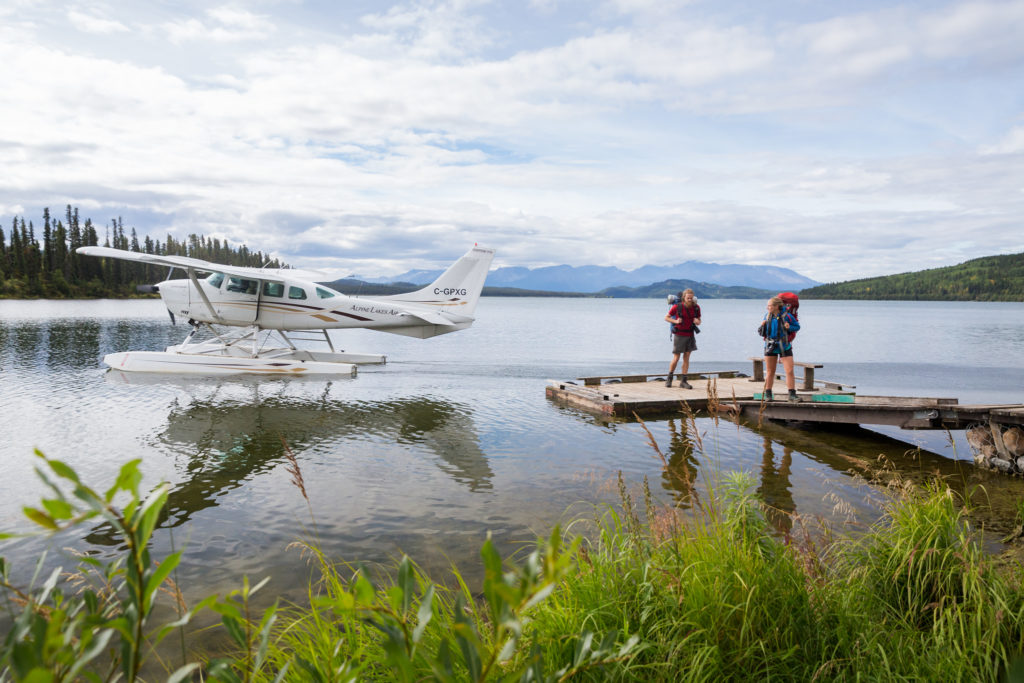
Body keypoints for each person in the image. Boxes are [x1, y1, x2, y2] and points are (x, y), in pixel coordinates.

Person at [759, 296, 800, 402]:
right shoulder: (767, 316)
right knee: (770, 371)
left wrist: (789, 327)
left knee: (789, 370)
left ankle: (791, 395)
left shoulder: (787, 316)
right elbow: (762, 332)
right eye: (767, 305)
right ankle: (768, 394)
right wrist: (762, 326)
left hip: (784, 345)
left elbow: (797, 326)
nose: (767, 307)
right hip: (770, 346)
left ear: (777, 306)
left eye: (770, 305)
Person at [664, 288, 701, 388]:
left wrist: (697, 322)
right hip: (679, 335)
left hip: (690, 334)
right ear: (684, 297)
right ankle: (669, 379)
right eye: (688, 298)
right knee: (676, 357)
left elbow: (699, 321)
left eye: (691, 298)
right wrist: (676, 322)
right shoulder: (677, 307)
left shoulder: (696, 307)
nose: (690, 300)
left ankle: (683, 381)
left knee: (687, 357)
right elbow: (666, 317)